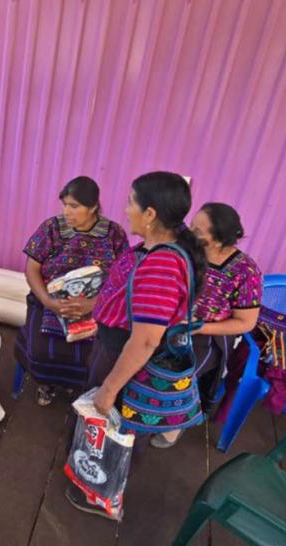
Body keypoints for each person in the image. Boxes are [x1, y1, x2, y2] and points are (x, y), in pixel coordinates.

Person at [67, 171, 208, 518]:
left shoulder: (163, 265)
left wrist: (109, 388)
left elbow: (145, 339)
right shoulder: (157, 248)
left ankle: (102, 495)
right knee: (110, 427)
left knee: (117, 430)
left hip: (126, 358)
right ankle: (95, 483)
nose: (125, 209)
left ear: (150, 213)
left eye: (131, 202)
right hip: (115, 348)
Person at [14, 176, 129, 406]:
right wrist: (49, 302)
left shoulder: (114, 234)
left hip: (97, 303)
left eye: (74, 206)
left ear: (93, 207)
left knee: (93, 351)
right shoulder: (51, 228)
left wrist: (94, 304)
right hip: (50, 300)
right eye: (65, 204)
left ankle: (78, 388)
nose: (67, 211)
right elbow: (32, 269)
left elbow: (122, 278)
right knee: (42, 349)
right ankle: (46, 384)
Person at [190, 203, 262, 410]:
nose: (189, 234)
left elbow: (246, 323)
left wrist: (199, 327)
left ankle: (172, 419)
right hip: (173, 323)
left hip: (209, 336)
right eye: (191, 226)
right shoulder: (187, 253)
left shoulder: (245, 271)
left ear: (219, 240)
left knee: (176, 375)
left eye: (197, 231)